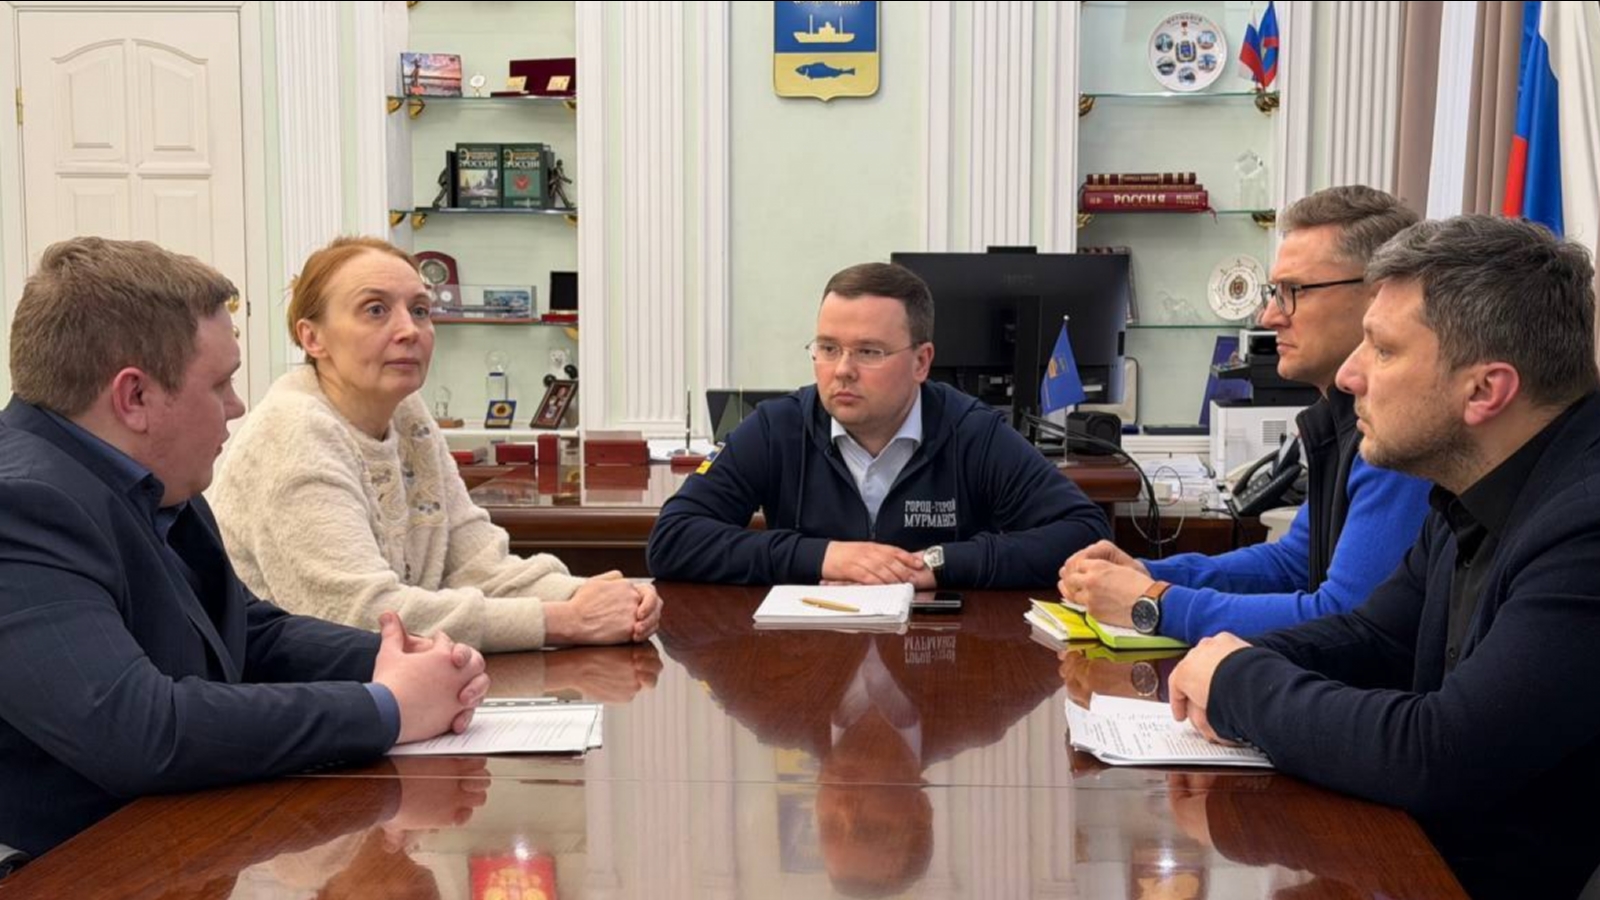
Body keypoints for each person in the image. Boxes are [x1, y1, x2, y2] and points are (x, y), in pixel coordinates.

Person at [0, 237, 489, 863]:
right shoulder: (21, 504)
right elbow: (140, 730)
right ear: (135, 397)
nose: (236, 408)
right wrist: (387, 708)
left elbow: (246, 632)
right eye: (221, 384)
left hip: (170, 848)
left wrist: (403, 658)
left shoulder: (149, 481)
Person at [1167, 215, 1600, 900]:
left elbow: (1442, 754)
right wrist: (1225, 654)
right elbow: (1375, 637)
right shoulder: (1469, 486)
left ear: (1485, 390)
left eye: (1384, 350)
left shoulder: (1586, 523)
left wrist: (1239, 682)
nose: (1349, 375)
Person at [211, 236, 659, 652]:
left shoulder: (406, 414)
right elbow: (360, 617)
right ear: (313, 337)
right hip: (295, 694)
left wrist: (603, 597)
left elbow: (477, 565)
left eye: (421, 310)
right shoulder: (294, 432)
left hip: (382, 684)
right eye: (375, 310)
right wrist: (564, 619)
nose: (409, 329)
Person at [1059, 185, 1432, 643]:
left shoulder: (1402, 434)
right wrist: (1147, 572)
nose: (1269, 316)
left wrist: (1153, 602)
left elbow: (1345, 619)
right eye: (1275, 292)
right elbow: (1294, 563)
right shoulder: (1338, 418)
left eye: (1293, 291)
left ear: (1379, 297)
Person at [646, 262, 1110, 588]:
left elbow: (1086, 532)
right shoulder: (776, 427)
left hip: (941, 664)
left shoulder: (972, 431)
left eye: (869, 352)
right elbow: (673, 538)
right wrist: (823, 555)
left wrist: (940, 563)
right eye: (828, 348)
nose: (842, 370)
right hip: (810, 662)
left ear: (921, 362)